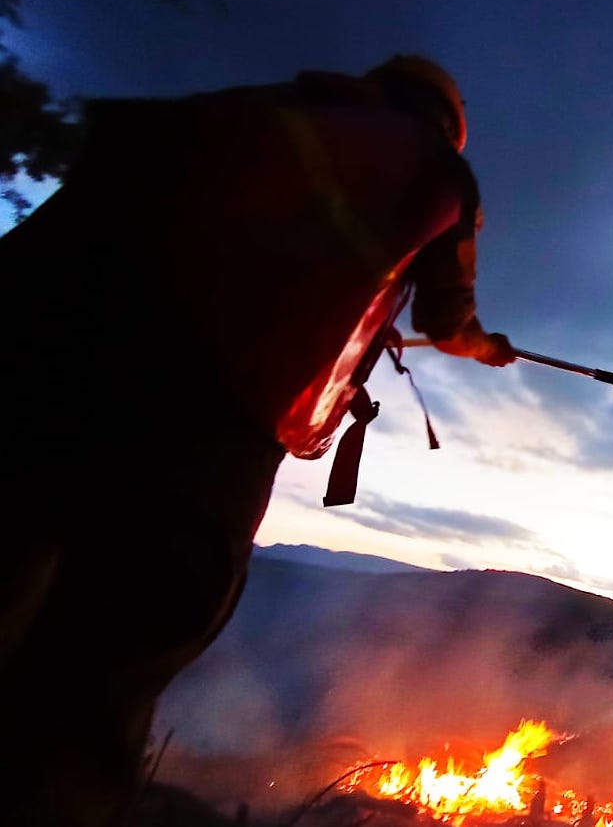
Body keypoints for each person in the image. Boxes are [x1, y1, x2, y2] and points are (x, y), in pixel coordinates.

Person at [0, 54, 514, 826]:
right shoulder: (430, 168)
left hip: (31, 359)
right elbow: (449, 320)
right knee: (114, 654)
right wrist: (486, 347)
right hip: (197, 420)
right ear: (450, 125)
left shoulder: (253, 108)